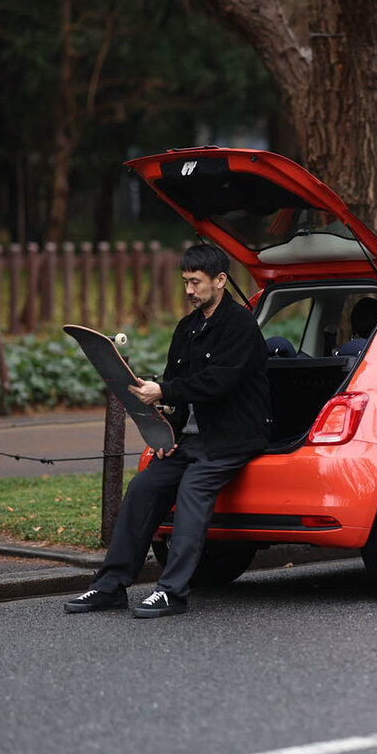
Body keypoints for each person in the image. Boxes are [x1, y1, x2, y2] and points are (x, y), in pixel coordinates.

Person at [64, 244, 270, 618]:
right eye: (185, 282)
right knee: (143, 486)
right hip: (191, 439)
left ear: (220, 280)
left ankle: (172, 592)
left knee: (193, 489)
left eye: (196, 282)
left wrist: (166, 390)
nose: (189, 290)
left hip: (231, 439)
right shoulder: (187, 328)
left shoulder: (240, 325)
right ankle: (110, 586)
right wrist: (166, 433)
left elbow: (218, 381)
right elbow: (177, 385)